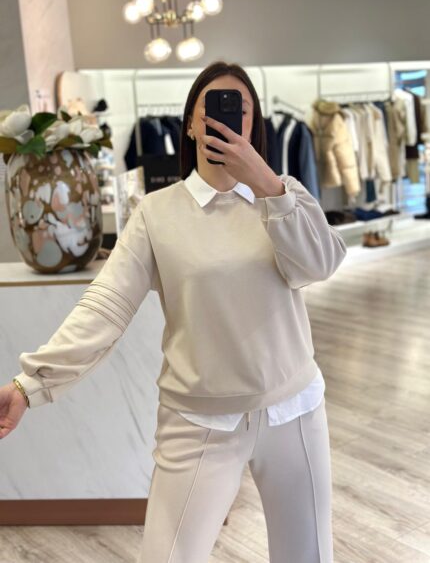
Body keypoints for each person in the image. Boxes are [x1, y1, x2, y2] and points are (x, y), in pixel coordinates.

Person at [0, 61, 347, 563]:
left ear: (254, 125)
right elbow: (106, 306)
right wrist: (29, 384)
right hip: (199, 420)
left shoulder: (283, 197)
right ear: (190, 124)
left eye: (241, 110)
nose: (227, 119)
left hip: (295, 410)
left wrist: (268, 185)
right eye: (213, 108)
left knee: (307, 556)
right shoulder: (157, 213)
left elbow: (320, 264)